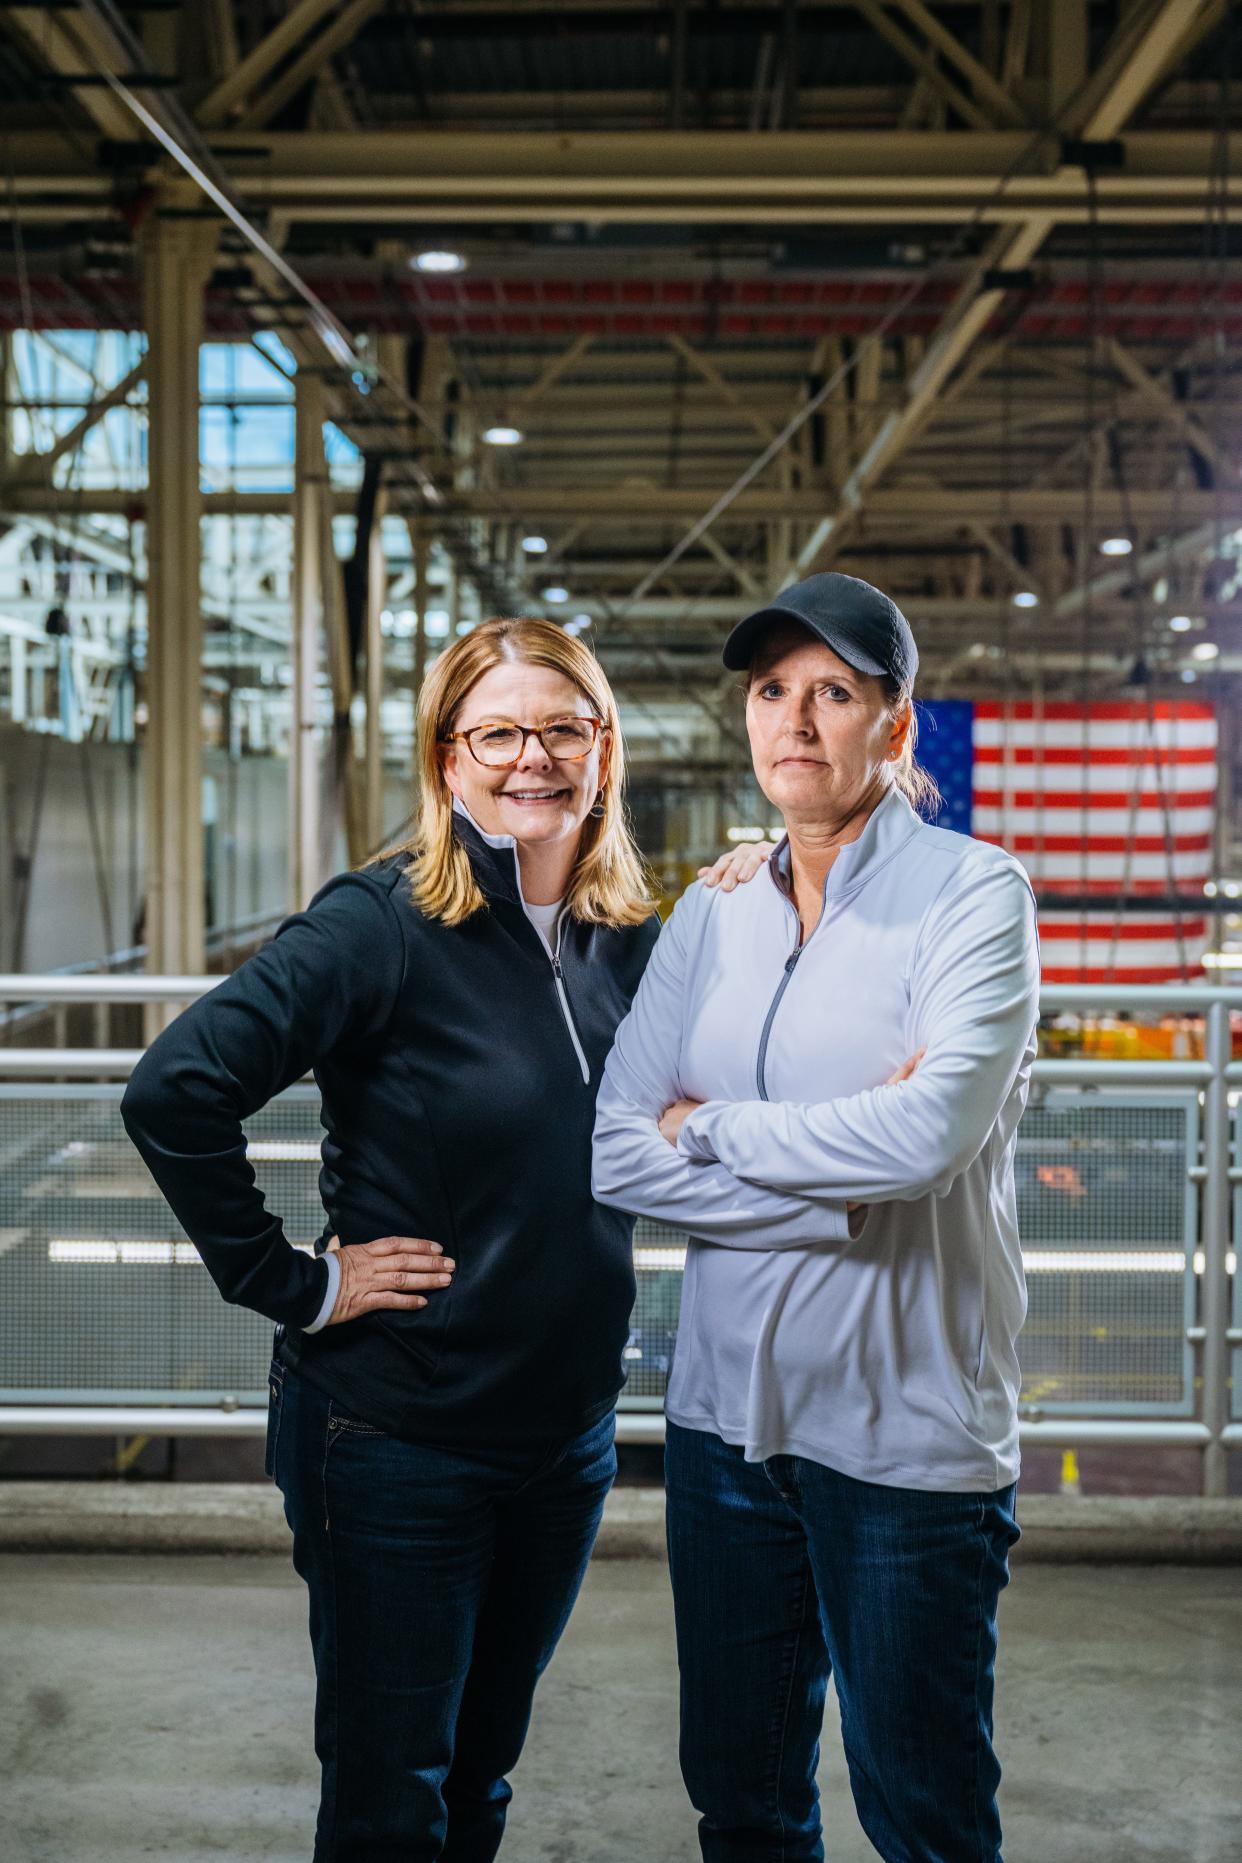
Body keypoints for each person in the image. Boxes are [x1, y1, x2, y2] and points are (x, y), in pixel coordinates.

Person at [120, 614, 767, 1863]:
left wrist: (754, 890)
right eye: (499, 732)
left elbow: (685, 1102)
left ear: (605, 747)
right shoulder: (383, 922)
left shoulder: (617, 940)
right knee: (389, 1801)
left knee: (480, 1779)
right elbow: (173, 1090)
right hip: (396, 1439)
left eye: (564, 727)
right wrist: (295, 1284)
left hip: (563, 1440)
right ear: (448, 759)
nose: (535, 757)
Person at [592, 571, 1041, 1863]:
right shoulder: (714, 907)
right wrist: (839, 1197)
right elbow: (617, 1150)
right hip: (721, 1434)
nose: (794, 719)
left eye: (832, 692)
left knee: (925, 1815)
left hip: (905, 1441)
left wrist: (714, 1128)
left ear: (893, 729)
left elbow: (928, 1132)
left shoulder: (972, 895)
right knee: (740, 1805)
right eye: (771, 690)